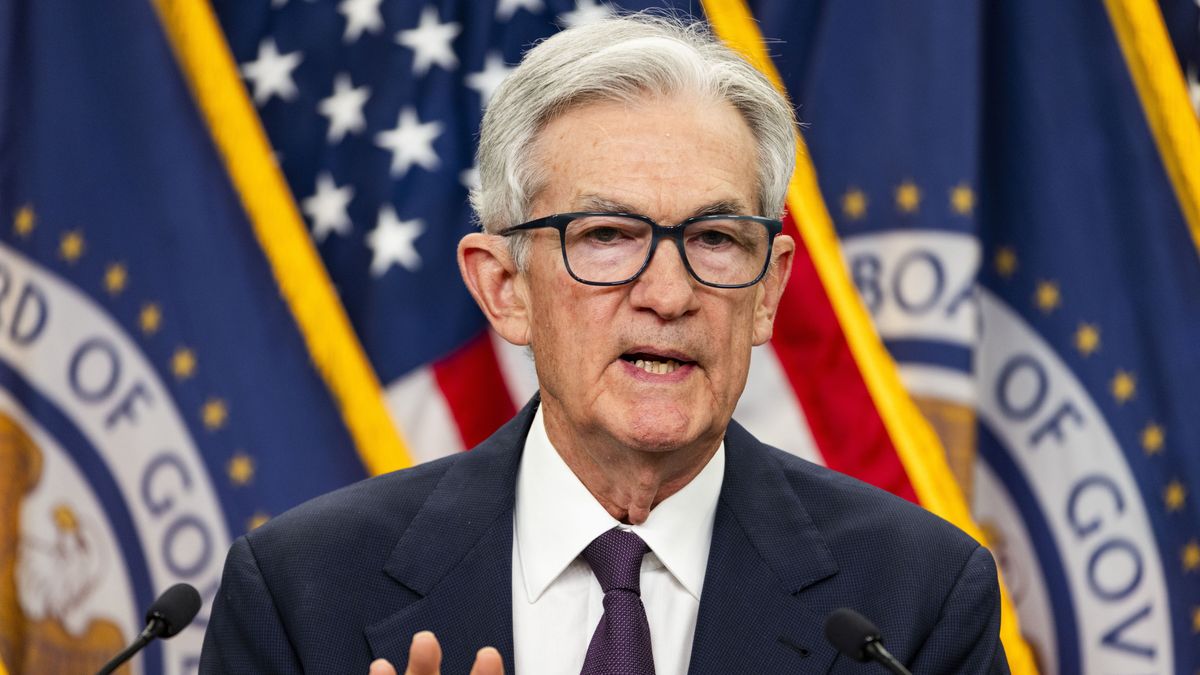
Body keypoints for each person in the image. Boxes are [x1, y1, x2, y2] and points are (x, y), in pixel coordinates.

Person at [200, 13, 1009, 675]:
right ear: (504, 287)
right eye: (609, 235)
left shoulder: (916, 603)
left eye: (718, 238)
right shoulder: (301, 596)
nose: (668, 294)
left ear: (767, 291)